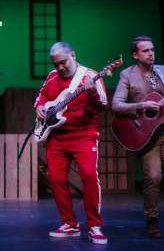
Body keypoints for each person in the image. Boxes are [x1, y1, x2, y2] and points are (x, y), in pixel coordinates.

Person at [112, 35, 164, 240]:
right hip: (145, 133)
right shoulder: (127, 75)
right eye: (146, 50)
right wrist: (142, 106)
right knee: (153, 177)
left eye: (152, 50)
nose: (151, 53)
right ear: (135, 55)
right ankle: (152, 220)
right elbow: (116, 105)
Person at [34, 42, 108, 244]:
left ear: (73, 55)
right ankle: (69, 224)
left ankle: (94, 226)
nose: (60, 67)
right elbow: (41, 96)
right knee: (56, 180)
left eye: (63, 62)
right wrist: (39, 107)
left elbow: (102, 104)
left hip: (84, 134)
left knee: (88, 175)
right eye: (56, 64)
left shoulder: (90, 76)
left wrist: (91, 92)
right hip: (57, 136)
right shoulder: (51, 76)